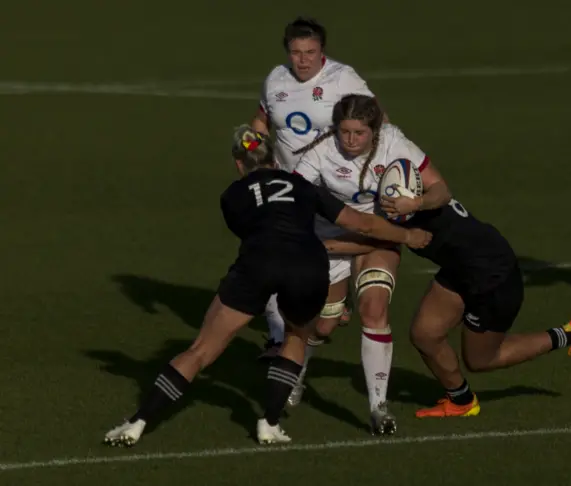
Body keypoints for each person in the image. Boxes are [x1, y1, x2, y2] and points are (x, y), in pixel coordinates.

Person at [102, 126, 430, 447]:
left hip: (260, 263)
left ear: (237, 164)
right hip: (309, 265)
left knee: (201, 350)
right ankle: (270, 423)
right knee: (298, 336)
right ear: (274, 160)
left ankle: (139, 422)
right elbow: (361, 223)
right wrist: (407, 236)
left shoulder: (231, 197)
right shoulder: (304, 187)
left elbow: (256, 232)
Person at [366, 176, 571, 417]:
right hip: (460, 269)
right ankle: (461, 400)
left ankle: (569, 334)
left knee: (480, 360)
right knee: (425, 335)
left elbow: (437, 195)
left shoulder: (416, 209)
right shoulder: (407, 196)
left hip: (493, 279)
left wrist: (415, 204)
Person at [289, 94, 451, 435]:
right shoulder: (319, 151)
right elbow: (293, 197)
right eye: (344, 132)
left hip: (378, 240)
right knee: (322, 326)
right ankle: (296, 375)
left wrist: (417, 201)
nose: (350, 141)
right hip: (330, 241)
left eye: (359, 133)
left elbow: (442, 190)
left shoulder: (395, 142)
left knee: (374, 309)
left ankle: (379, 407)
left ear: (374, 130)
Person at [251, 17, 385, 358]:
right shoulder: (275, 79)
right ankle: (278, 339)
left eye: (310, 52)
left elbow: (376, 118)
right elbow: (261, 122)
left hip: (332, 191)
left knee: (327, 263)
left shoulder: (343, 78)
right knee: (274, 255)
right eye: (296, 52)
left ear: (322, 51)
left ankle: (334, 304)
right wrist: (254, 159)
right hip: (288, 189)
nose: (303, 60)